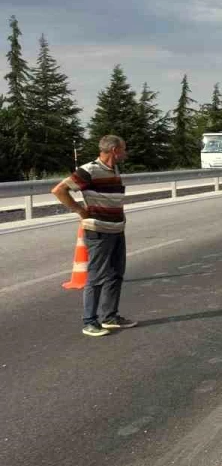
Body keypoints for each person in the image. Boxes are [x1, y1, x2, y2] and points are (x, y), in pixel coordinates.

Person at [51, 135, 138, 337]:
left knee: (116, 274)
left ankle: (110, 317)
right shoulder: (89, 170)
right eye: (124, 149)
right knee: (96, 276)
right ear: (115, 150)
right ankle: (90, 321)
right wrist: (80, 211)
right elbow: (59, 190)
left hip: (116, 230)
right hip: (99, 231)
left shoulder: (114, 169)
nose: (126, 153)